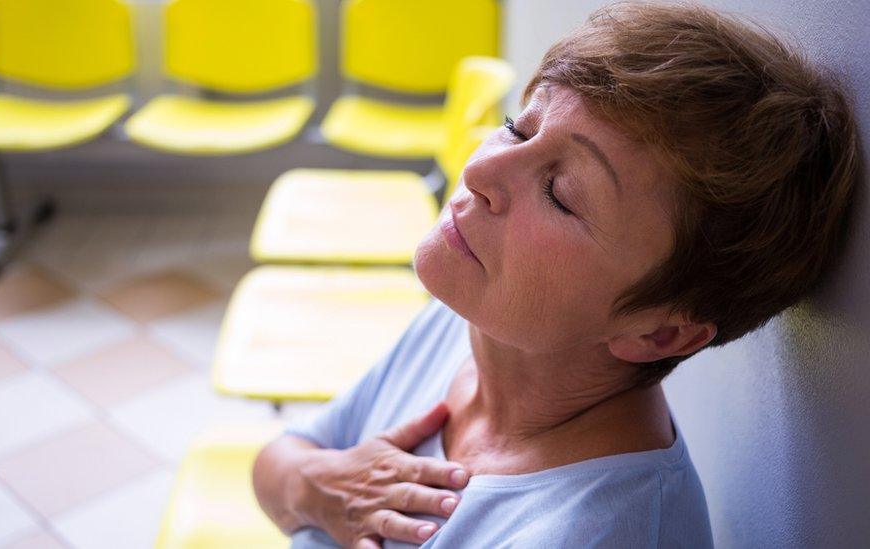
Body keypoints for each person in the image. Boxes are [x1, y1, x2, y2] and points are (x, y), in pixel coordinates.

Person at [253, 2, 860, 547]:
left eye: (561, 194)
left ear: (659, 333)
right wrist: (317, 485)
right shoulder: (478, 323)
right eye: (520, 127)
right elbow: (281, 460)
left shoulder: (589, 533)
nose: (483, 172)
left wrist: (306, 486)